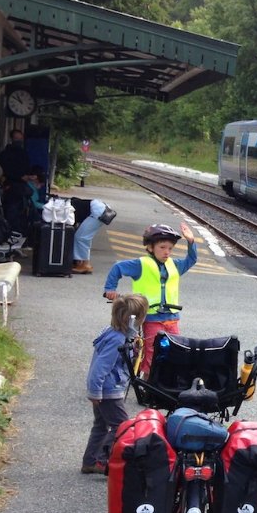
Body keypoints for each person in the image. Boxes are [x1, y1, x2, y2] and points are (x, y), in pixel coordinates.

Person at [102, 221, 199, 376]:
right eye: (162, 247)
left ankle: (164, 380)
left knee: (174, 349)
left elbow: (191, 260)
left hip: (172, 317)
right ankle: (148, 382)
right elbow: (118, 268)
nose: (167, 252)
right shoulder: (141, 264)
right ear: (150, 247)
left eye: (170, 248)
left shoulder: (174, 265)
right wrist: (110, 289)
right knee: (152, 350)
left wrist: (191, 241)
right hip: (151, 317)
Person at [81, 294, 149, 475]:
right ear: (133, 320)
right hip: (108, 391)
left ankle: (90, 461)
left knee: (101, 425)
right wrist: (95, 392)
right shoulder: (117, 341)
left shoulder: (114, 333)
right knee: (122, 426)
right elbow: (100, 368)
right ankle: (103, 461)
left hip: (107, 390)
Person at [0, 129, 32, 235]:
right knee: (12, 213)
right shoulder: (6, 154)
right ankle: (13, 233)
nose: (19, 141)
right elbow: (6, 170)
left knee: (20, 213)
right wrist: (21, 177)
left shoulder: (22, 153)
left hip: (19, 189)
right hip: (12, 188)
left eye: (20, 138)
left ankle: (17, 232)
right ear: (11, 139)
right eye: (17, 138)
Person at [71, 199, 113, 274]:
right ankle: (82, 262)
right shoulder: (74, 203)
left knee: (81, 238)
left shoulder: (70, 209)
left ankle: (85, 265)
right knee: (83, 236)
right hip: (102, 209)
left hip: (97, 212)